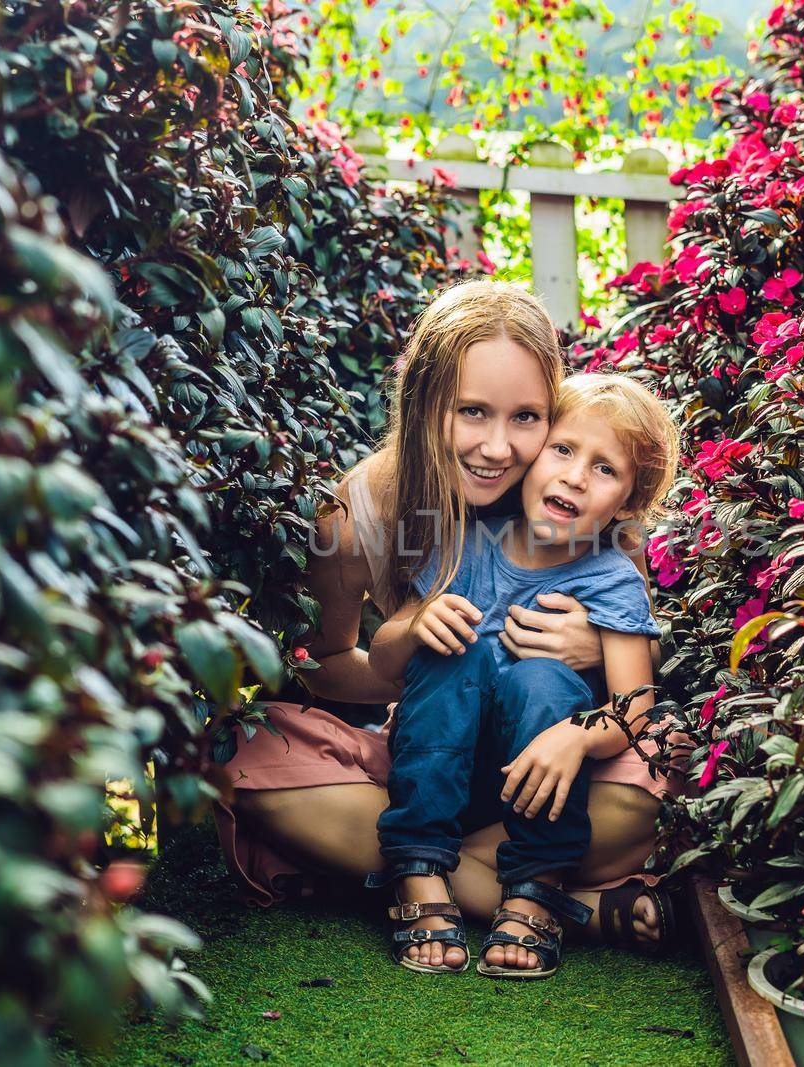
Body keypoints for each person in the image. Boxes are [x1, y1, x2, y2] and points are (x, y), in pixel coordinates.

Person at [214, 280, 682, 977]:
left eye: (527, 417)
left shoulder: (589, 524)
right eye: (471, 412)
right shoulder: (365, 513)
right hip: (420, 754)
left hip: (534, 775)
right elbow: (325, 663)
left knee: (665, 767)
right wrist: (407, 648)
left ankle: (426, 872)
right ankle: (555, 900)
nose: (499, 447)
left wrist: (588, 651)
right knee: (242, 746)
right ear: (427, 400)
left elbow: (631, 683)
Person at [365, 374, 679, 977]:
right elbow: (384, 658)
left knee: (542, 680)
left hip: (536, 782)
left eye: (605, 469)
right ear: (535, 454)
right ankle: (418, 868)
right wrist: (415, 624)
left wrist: (580, 736)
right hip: (439, 763)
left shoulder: (611, 580)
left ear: (628, 505)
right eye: (563, 449)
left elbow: (635, 706)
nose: (575, 476)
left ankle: (534, 886)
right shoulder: (464, 541)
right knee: (452, 653)